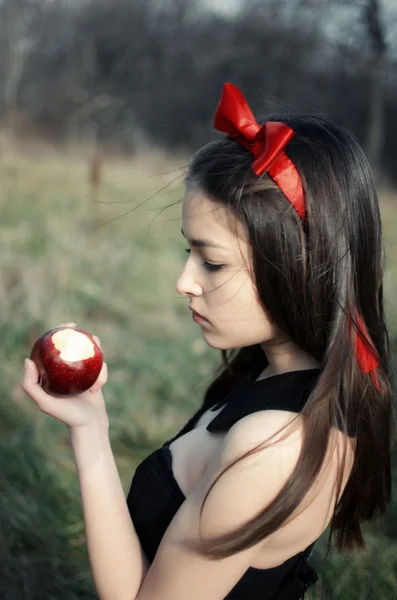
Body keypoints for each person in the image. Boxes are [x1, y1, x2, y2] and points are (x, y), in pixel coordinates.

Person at [20, 82, 394, 600]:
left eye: (211, 261)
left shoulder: (271, 448)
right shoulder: (276, 372)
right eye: (188, 252)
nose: (184, 282)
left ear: (297, 266)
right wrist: (90, 425)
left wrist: (89, 440)